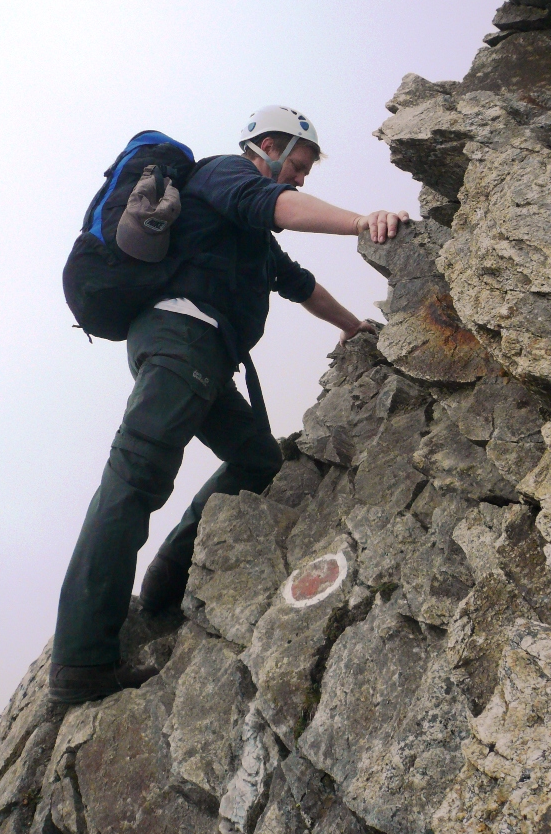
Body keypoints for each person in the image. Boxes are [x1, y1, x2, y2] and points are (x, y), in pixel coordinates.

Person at [49, 105, 409, 704]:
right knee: (134, 481)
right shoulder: (224, 177)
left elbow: (300, 285)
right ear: (265, 145)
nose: (298, 178)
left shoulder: (245, 235)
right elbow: (279, 208)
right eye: (295, 164)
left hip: (201, 358)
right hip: (180, 341)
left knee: (258, 462)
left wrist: (353, 328)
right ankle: (80, 663)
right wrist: (361, 222)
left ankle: (169, 574)